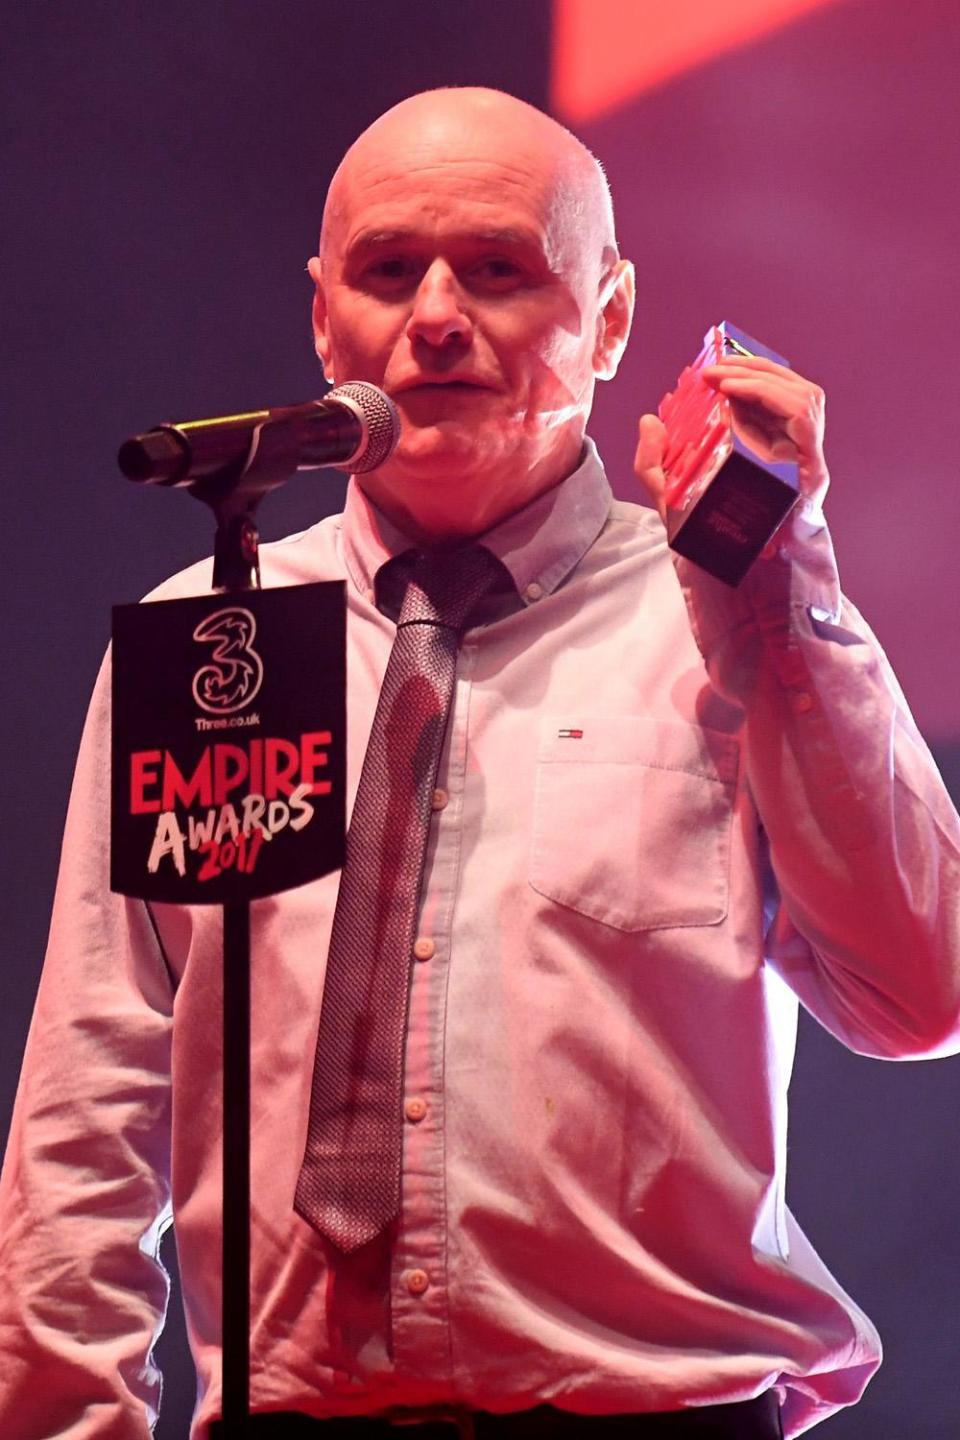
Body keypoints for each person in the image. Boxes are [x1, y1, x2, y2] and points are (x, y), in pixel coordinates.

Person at [1, 86, 958, 1440]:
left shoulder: (730, 616)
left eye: (500, 269)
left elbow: (921, 997)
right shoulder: (206, 639)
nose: (437, 316)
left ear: (612, 318)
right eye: (390, 272)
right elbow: (92, 1103)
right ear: (324, 317)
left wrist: (787, 594)